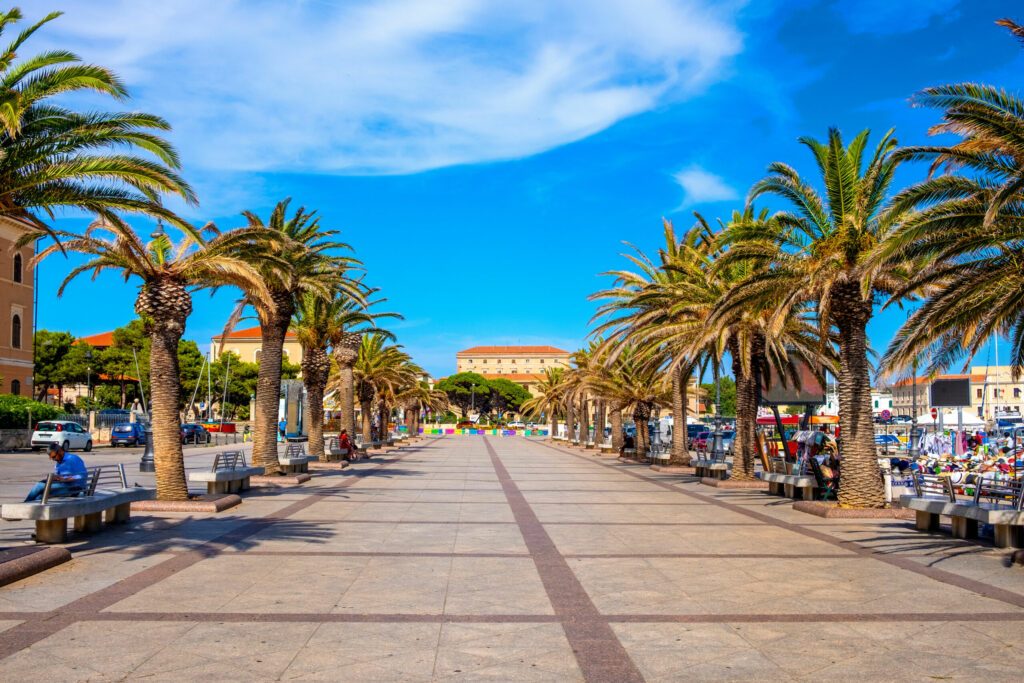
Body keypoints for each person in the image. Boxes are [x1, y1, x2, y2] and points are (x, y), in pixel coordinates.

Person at [24, 443, 88, 502]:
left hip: (74, 489)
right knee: (39, 496)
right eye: (51, 458)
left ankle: (24, 506)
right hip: (64, 486)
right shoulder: (58, 463)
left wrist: (67, 479)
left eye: (54, 456)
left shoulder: (73, 459)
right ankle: (28, 510)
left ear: (60, 451)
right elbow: (59, 476)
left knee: (39, 485)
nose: (53, 459)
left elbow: (83, 475)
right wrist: (56, 478)